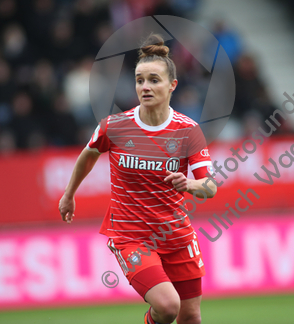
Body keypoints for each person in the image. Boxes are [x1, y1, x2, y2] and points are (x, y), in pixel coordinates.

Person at [58, 33, 217, 324]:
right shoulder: (115, 127)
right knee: (168, 307)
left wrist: (191, 184)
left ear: (172, 86)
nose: (145, 86)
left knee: (190, 315)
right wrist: (69, 194)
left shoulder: (188, 130)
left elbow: (210, 186)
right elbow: (88, 154)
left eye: (154, 80)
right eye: (140, 79)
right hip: (132, 237)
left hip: (177, 235)